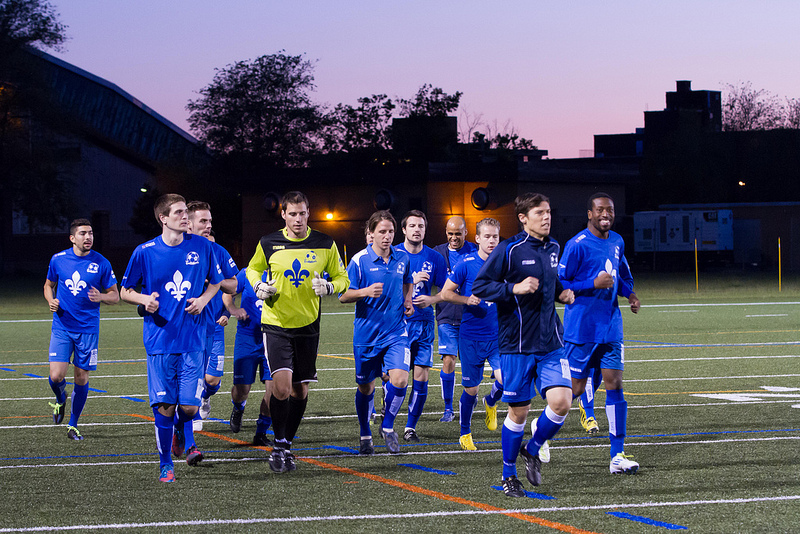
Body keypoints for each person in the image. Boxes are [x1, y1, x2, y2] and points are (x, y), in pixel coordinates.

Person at [472, 192, 575, 497]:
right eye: (540, 213)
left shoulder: (554, 246)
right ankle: (508, 474)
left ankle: (533, 449)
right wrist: (513, 288)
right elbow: (480, 285)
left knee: (562, 402)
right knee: (519, 412)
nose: (547, 217)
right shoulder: (509, 249)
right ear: (522, 218)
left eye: (548, 212)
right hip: (515, 344)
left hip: (551, 341)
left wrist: (562, 294)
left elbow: (552, 283)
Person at [121, 194, 223, 482]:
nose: (185, 217)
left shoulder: (203, 246)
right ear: (163, 218)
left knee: (189, 407)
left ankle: (181, 428)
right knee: (165, 408)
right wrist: (144, 299)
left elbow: (217, 281)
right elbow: (124, 290)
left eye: (185, 212)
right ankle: (166, 462)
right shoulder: (145, 251)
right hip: (159, 340)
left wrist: (204, 300)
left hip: (193, 339)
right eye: (178, 213)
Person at [246, 191, 349, 473]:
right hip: (276, 323)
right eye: (292, 214)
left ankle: (286, 443)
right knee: (280, 387)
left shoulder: (324, 243)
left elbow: (343, 278)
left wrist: (329, 287)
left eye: (302, 213)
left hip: (308, 326)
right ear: (283, 215)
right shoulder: (268, 242)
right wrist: (258, 286)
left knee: (300, 391)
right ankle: (279, 445)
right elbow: (252, 269)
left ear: (308, 213)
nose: (298, 219)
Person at [558, 192, 641, 474]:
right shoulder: (576, 245)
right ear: (590, 214)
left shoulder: (617, 241)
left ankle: (617, 455)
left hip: (611, 326)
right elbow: (561, 283)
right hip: (581, 327)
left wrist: (630, 295)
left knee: (615, 384)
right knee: (574, 391)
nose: (606, 214)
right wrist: (591, 283)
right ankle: (539, 431)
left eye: (610, 210)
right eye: (600, 210)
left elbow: (622, 275)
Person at [339, 211, 413, 455]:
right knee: (366, 388)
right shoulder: (359, 261)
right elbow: (343, 295)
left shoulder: (402, 257)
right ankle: (365, 434)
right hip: (367, 334)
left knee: (401, 379)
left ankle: (388, 425)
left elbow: (407, 280)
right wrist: (365, 291)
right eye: (382, 231)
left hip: (396, 331)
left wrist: (408, 299)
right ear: (370, 234)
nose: (387, 236)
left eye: (391, 231)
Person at [44, 218, 119, 441]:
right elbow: (49, 285)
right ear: (72, 238)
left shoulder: (102, 263)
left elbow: (115, 295)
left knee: (81, 377)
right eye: (83, 233)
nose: (88, 237)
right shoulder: (58, 260)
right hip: (62, 326)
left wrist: (102, 296)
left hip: (88, 329)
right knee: (56, 376)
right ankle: (60, 399)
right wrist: (51, 301)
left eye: (91, 233)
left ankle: (73, 424)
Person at [439, 218, 504, 451]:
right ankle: (465, 432)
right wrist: (466, 299)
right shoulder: (466, 264)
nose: (491, 241)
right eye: (486, 236)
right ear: (477, 238)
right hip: (470, 337)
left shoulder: (505, 264)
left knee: (506, 381)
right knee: (471, 390)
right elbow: (446, 293)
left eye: (495, 236)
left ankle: (491, 401)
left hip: (498, 337)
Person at [185, 202, 239, 433]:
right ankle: (191, 414)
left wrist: (214, 283)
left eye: (210, 222)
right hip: (182, 327)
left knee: (211, 381)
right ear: (188, 223)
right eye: (203, 221)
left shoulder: (218, 251)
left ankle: (203, 400)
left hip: (211, 326)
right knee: (188, 375)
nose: (208, 226)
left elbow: (234, 284)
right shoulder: (175, 248)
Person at [396, 210, 447, 442]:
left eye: (421, 226)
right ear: (404, 230)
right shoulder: (394, 254)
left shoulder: (435, 258)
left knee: (421, 377)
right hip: (398, 325)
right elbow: (383, 290)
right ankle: (388, 421)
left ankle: (410, 428)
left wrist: (432, 300)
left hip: (424, 324)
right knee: (396, 378)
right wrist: (410, 281)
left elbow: (447, 290)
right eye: (413, 226)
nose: (417, 229)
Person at [434, 216, 477, 422]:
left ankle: (470, 398)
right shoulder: (437, 253)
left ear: (466, 232)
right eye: (450, 233)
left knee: (471, 364)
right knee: (448, 359)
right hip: (446, 316)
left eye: (458, 234)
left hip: (471, 318)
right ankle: (448, 408)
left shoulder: (476, 251)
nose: (453, 238)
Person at [225, 267, 274, 446]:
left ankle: (261, 432)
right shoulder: (248, 272)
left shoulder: (283, 271)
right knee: (241, 390)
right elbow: (227, 292)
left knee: (274, 391)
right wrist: (232, 309)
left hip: (274, 338)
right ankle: (238, 407)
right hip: (247, 338)